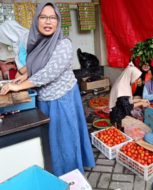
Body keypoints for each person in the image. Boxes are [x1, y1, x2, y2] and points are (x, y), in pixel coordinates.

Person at [0, 2, 95, 176]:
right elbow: (38, 63)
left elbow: (49, 72)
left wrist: (18, 86)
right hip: (45, 98)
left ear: (58, 21)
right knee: (53, 140)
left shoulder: (63, 44)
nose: (48, 22)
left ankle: (70, 174)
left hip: (62, 98)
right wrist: (25, 74)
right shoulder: (38, 42)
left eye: (52, 17)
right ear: (37, 20)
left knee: (65, 139)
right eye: (43, 17)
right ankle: (57, 169)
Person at [109, 62, 150, 130]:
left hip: (120, 113)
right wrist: (141, 103)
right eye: (136, 78)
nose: (136, 80)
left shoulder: (123, 82)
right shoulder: (121, 87)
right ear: (130, 75)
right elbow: (127, 106)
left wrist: (140, 100)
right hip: (118, 117)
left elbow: (127, 100)